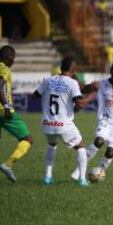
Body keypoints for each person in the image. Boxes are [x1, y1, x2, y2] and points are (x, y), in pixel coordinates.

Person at [33, 57, 97, 187]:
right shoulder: (72, 83)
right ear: (74, 69)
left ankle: (47, 177)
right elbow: (79, 103)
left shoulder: (48, 80)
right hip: (63, 124)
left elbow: (35, 96)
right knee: (81, 147)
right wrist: (93, 94)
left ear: (61, 68)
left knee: (52, 144)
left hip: (47, 123)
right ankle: (82, 180)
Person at [0, 45, 33, 183]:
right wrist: (7, 106)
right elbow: (0, 86)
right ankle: (8, 164)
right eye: (13, 58)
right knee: (27, 139)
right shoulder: (3, 68)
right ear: (8, 57)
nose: (13, 61)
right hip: (3, 112)